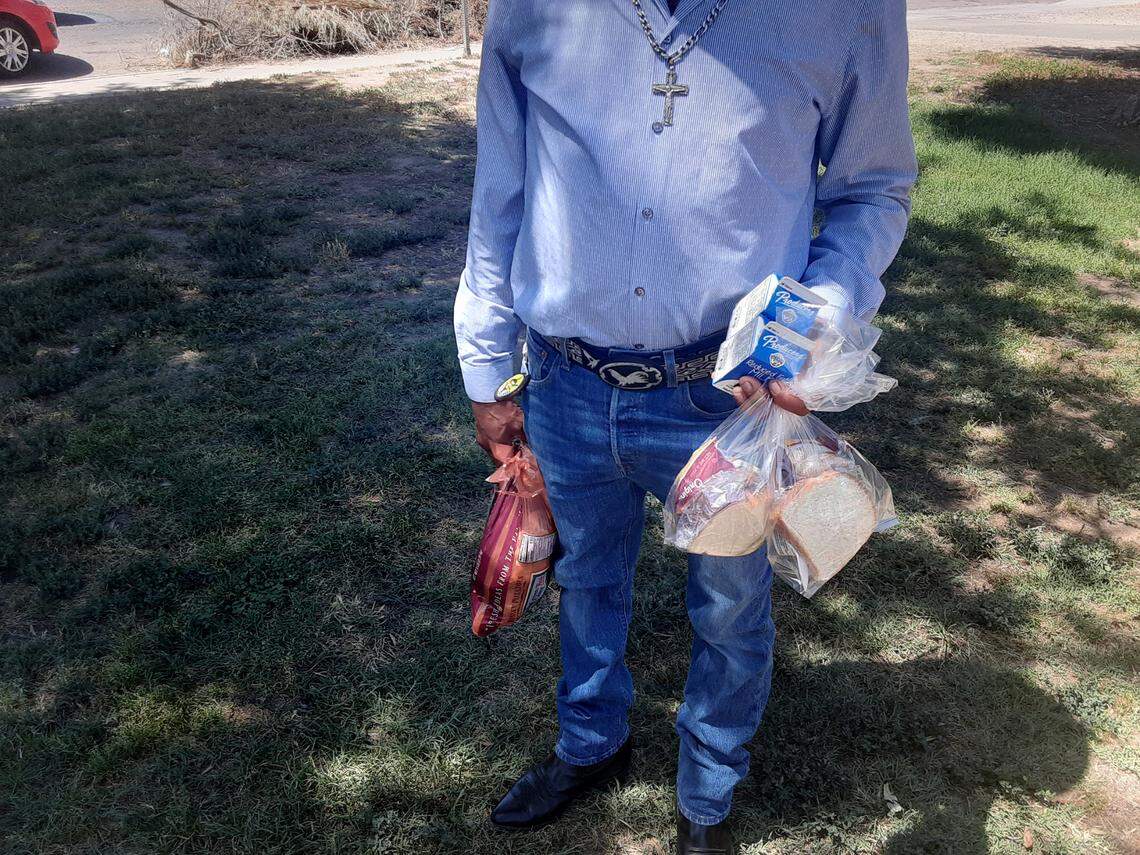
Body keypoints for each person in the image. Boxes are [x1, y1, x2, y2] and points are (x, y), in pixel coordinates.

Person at [453, 0, 916, 851]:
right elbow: (501, 189)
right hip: (563, 379)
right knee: (586, 575)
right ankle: (592, 742)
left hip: (729, 397)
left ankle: (707, 795)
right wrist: (488, 367)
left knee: (732, 605)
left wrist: (815, 318)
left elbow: (873, 188)